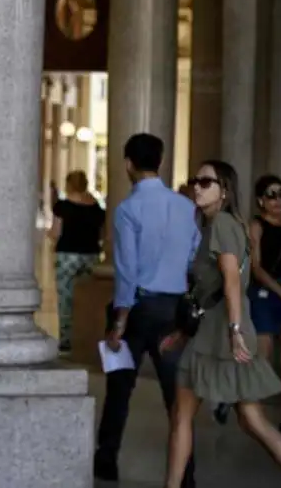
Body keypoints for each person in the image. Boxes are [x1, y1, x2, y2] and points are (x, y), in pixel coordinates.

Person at [163, 161, 281, 488]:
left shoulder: (224, 225)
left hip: (223, 334)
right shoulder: (214, 224)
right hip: (212, 332)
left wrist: (235, 331)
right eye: (194, 181)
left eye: (206, 181)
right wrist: (181, 331)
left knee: (239, 418)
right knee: (243, 418)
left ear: (224, 190)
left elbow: (231, 282)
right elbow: (209, 290)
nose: (197, 186)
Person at [93, 133, 200, 488]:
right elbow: (193, 255)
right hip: (174, 309)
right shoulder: (186, 207)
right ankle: (186, 475)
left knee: (120, 389)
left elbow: (126, 269)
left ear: (128, 164)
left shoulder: (127, 210)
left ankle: (107, 461)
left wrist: (119, 321)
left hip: (137, 309)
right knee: (178, 397)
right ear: (161, 161)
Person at [213, 175, 281, 441]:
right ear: (260, 200)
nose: (277, 200)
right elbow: (257, 267)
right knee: (262, 357)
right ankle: (232, 396)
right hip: (267, 293)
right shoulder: (256, 225)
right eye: (271, 195)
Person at [48, 170, 105, 352]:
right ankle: (86, 336)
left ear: (68, 184)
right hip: (91, 256)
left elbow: (56, 232)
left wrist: (49, 237)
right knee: (87, 298)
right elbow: (102, 235)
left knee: (66, 298)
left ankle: (66, 339)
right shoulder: (97, 208)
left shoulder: (63, 206)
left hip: (67, 255)